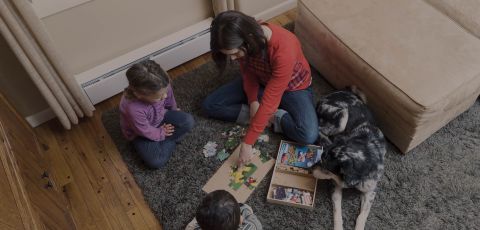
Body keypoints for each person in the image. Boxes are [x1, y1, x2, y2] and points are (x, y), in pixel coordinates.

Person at [202, 10, 318, 167]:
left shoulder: (284, 49)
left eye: (235, 53)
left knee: (308, 134)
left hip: (293, 88)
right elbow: (248, 73)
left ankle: (272, 117)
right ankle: (261, 116)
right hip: (262, 81)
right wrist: (253, 101)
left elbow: (272, 97)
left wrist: (248, 142)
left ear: (248, 41)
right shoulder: (247, 38)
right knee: (210, 105)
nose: (233, 58)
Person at [119, 60, 194, 169]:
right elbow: (144, 130)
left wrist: (174, 110)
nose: (164, 96)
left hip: (160, 116)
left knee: (188, 121)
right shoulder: (132, 108)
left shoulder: (162, 84)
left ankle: (164, 142)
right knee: (156, 162)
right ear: (139, 94)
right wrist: (161, 132)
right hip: (140, 133)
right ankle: (171, 140)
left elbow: (170, 101)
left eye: (165, 92)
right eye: (158, 97)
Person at [185, 190, 262, 230]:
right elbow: (257, 225)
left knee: (190, 227)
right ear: (239, 222)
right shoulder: (250, 227)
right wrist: (244, 211)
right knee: (246, 208)